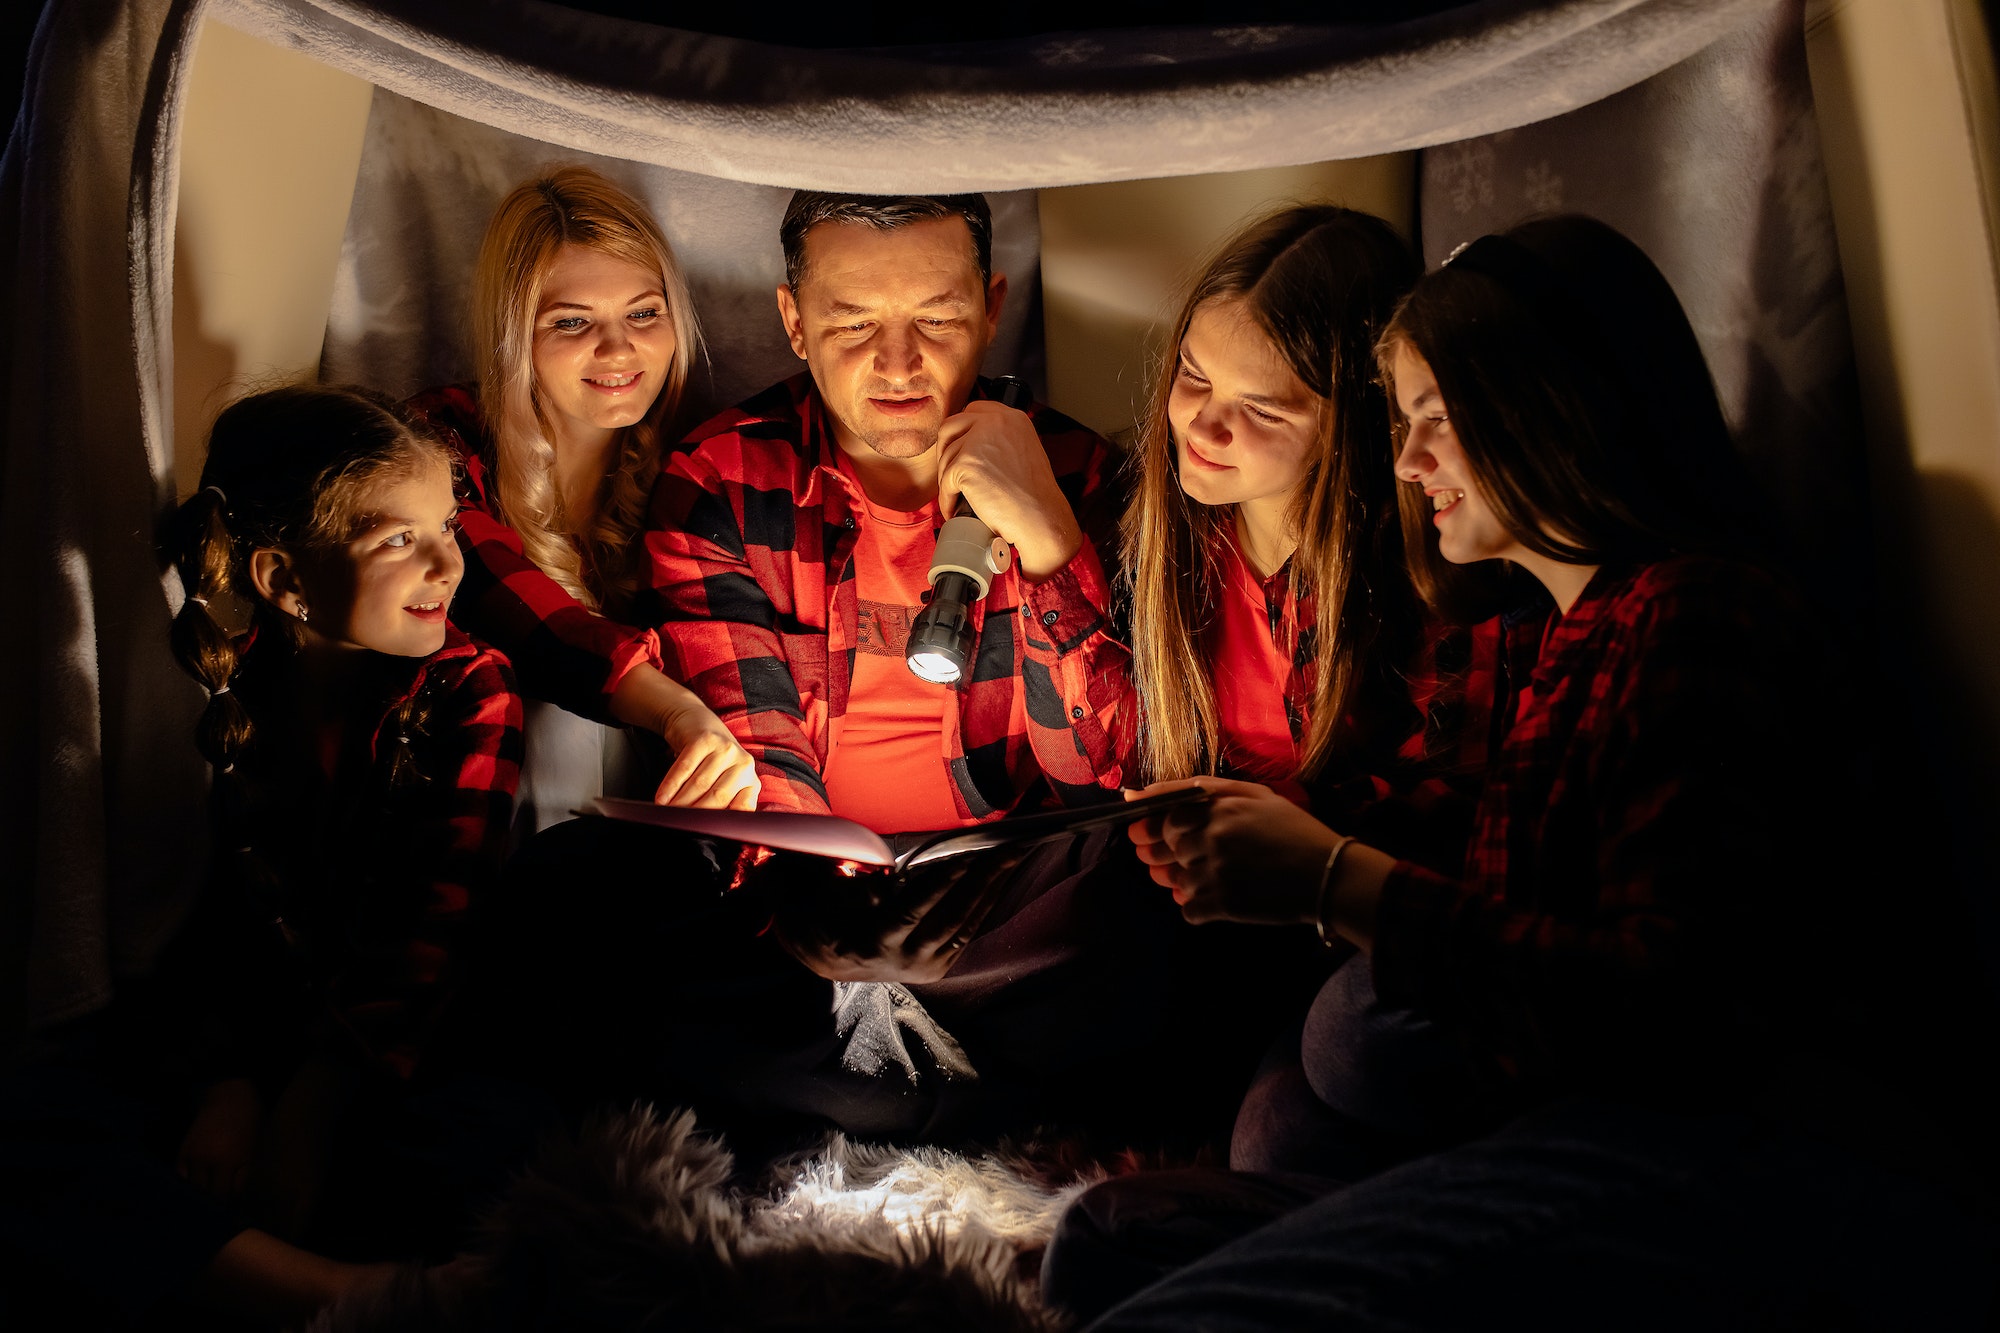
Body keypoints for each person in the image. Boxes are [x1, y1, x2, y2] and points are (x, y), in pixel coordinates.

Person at [1046, 217, 1988, 1328]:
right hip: (1532, 1092)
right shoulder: (1574, 631)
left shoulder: (1695, 616)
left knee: (1345, 1039)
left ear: (1547, 415)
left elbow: (1673, 1020)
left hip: (1687, 1146)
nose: (1403, 462)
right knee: (1125, 1218)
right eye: (1399, 424)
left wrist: (1330, 879)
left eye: (1433, 421)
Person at [627, 191, 1163, 1141]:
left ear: (993, 306)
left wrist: (1046, 539)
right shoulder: (722, 480)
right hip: (815, 900)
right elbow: (759, 754)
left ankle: (905, 1082)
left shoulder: (1082, 473)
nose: (899, 364)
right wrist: (821, 905)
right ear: (793, 320)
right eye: (852, 322)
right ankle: (955, 1089)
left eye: (938, 318)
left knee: (1141, 902)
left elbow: (1100, 774)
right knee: (601, 905)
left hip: (1011, 896)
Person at [0, 386, 524, 1327]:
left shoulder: (471, 689)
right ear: (284, 578)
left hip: (406, 1048)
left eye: (446, 523)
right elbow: (214, 917)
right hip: (260, 1042)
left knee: (480, 1157)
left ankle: (264, 1267)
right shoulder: (217, 686)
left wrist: (312, 1105)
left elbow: (430, 934)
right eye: (397, 538)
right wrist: (230, 1080)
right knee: (34, 1118)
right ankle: (330, 1295)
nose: (449, 560)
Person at [1115, 202, 1500, 1161]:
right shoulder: (1171, 531)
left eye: (1263, 408)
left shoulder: (1423, 575)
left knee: (1280, 1129)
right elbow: (1097, 754)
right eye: (1194, 377)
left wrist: (1284, 846)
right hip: (1198, 914)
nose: (1203, 424)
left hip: (1337, 927)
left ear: (1354, 424)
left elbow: (1449, 835)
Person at [404, 164, 756, 831]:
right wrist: (673, 709)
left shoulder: (703, 468)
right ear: (517, 338)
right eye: (572, 323)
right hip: (475, 823)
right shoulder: (438, 442)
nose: (619, 348)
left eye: (644, 313)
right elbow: (529, 621)